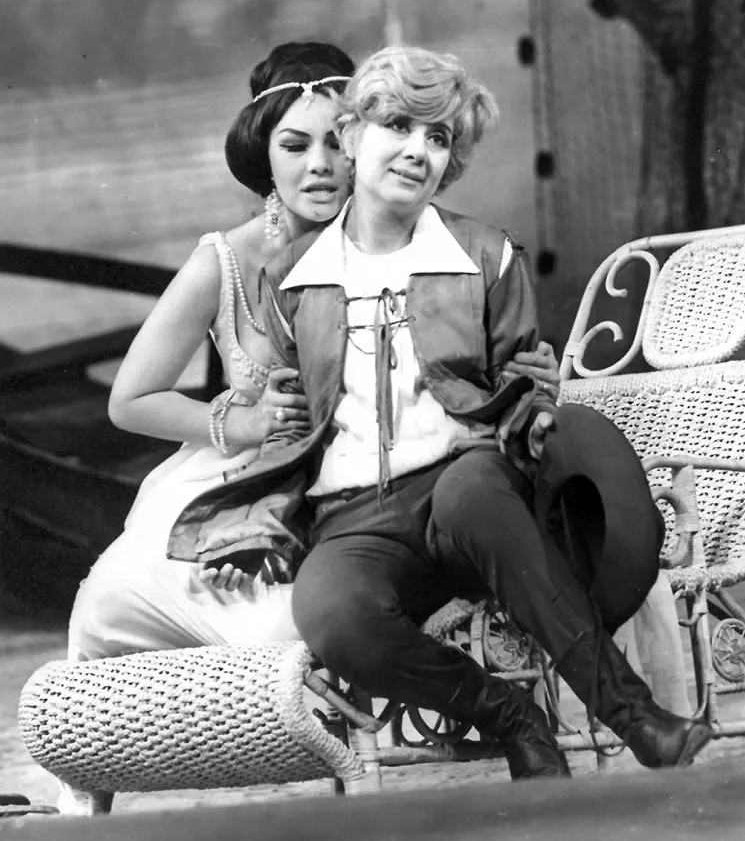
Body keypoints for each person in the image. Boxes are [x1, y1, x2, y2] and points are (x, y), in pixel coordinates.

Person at [170, 45, 712, 779]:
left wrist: (535, 404)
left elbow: (522, 382)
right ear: (352, 134)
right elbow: (296, 425)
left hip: (469, 481)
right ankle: (510, 717)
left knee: (471, 494)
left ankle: (634, 715)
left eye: (438, 137)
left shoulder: (486, 254)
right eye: (398, 126)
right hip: (353, 513)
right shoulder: (290, 278)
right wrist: (257, 522)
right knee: (333, 616)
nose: (417, 150)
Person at [67, 40, 561, 662]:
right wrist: (246, 421)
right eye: (295, 146)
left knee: (300, 626)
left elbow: (469, 359)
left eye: (334, 142)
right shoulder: (224, 261)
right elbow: (130, 400)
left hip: (383, 479)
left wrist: (525, 374)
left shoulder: (424, 237)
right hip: (254, 476)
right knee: (121, 603)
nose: (321, 166)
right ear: (264, 155)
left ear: (359, 140)